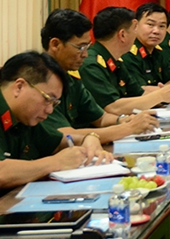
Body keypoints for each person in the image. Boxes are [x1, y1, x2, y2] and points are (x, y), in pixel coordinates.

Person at [40, 8, 159, 143]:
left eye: (87, 47)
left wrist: (124, 120)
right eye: (80, 48)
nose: (85, 54)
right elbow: (65, 135)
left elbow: (101, 118)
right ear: (55, 45)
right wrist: (129, 128)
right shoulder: (40, 82)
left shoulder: (71, 78)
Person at [0, 51, 112, 190]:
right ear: (19, 87)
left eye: (54, 103)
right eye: (47, 99)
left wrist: (89, 138)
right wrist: (55, 162)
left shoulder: (24, 118)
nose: (50, 110)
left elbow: (59, 142)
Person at [78, 6, 170, 115]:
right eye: (134, 29)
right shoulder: (91, 64)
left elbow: (139, 93)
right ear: (122, 35)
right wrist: (160, 95)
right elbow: (113, 107)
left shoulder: (115, 61)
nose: (136, 34)